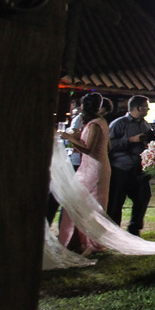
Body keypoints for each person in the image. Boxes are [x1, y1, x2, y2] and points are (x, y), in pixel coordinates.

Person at [56, 92, 111, 256]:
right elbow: (106, 147)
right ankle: (76, 241)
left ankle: (89, 242)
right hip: (91, 166)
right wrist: (77, 140)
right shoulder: (100, 122)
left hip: (94, 169)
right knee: (79, 202)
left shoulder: (95, 124)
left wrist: (68, 137)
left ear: (83, 106)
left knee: (89, 204)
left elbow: (88, 149)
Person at [107, 95, 155, 235]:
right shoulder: (118, 124)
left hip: (139, 169)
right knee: (116, 203)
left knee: (143, 197)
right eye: (147, 107)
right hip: (121, 168)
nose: (148, 110)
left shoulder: (145, 124)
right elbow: (109, 145)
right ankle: (113, 233)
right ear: (139, 108)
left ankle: (134, 230)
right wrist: (130, 140)